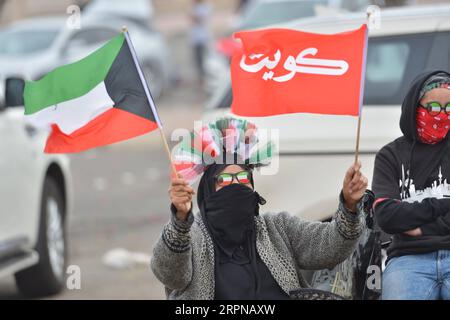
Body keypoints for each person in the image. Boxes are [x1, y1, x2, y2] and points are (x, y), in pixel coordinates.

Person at [151, 117, 372, 299]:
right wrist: (180, 221)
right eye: (226, 179)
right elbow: (170, 274)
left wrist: (349, 206)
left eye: (243, 178)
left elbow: (331, 246)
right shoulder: (192, 236)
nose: (236, 185)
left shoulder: (278, 227)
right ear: (209, 189)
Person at [372, 71, 450, 300]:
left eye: (448, 108)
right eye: (434, 107)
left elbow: (399, 215)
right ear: (415, 107)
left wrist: (422, 228)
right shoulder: (390, 155)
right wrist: (443, 206)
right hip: (408, 260)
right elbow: (386, 216)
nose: (441, 115)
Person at [189, 0, 211, 86]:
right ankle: (200, 79)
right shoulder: (194, 7)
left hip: (202, 38)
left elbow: (200, 19)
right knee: (197, 61)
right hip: (194, 39)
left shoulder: (205, 6)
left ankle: (205, 79)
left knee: (203, 60)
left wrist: (194, 16)